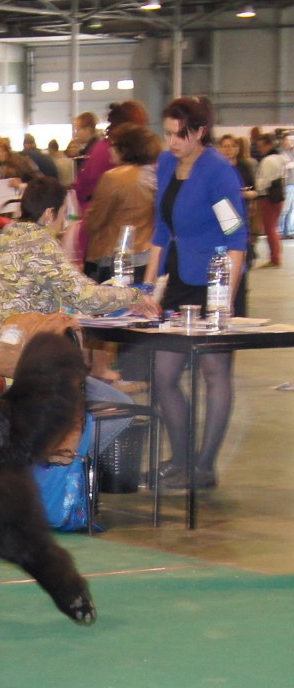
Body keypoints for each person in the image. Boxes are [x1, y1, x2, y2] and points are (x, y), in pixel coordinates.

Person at [0, 177, 159, 451]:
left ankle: (55, 463)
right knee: (121, 408)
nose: (64, 221)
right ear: (50, 213)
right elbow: (86, 297)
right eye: (63, 214)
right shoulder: (40, 243)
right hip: (28, 362)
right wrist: (133, 296)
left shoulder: (9, 237)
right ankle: (65, 465)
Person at [144, 96, 248, 490]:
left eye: (179, 134)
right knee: (164, 372)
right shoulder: (167, 163)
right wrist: (148, 290)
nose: (171, 141)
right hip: (180, 277)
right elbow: (159, 230)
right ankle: (181, 458)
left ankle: (204, 466)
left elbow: (235, 236)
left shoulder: (218, 173)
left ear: (200, 131)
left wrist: (225, 301)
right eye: (167, 132)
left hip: (218, 278)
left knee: (213, 371)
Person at [84, 123, 161, 283]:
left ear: (125, 148)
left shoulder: (113, 178)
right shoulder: (155, 175)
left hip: (115, 258)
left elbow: (95, 222)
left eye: (113, 145)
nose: (109, 149)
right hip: (147, 257)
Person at [219, 133, 257, 268]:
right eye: (224, 146)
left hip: (242, 212)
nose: (228, 149)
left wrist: (244, 194)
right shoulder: (217, 168)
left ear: (237, 148)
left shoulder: (245, 167)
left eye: (231, 146)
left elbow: (254, 191)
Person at [0, 134, 38, 215]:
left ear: (0, 149)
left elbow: (38, 183)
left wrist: (22, 185)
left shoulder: (22, 162)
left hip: (18, 211)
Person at [254, 132, 286, 269]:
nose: (260, 149)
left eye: (261, 146)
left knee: (269, 228)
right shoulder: (280, 158)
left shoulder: (268, 160)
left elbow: (264, 182)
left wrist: (256, 187)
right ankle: (276, 254)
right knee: (273, 227)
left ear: (268, 145)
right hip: (277, 196)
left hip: (267, 197)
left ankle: (275, 258)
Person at [278, 133, 294, 239]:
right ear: (284, 141)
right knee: (284, 209)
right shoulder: (281, 154)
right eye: (289, 140)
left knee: (291, 209)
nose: (291, 142)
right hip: (286, 184)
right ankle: (279, 231)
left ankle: (288, 231)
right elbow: (282, 167)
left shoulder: (291, 153)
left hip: (292, 183)